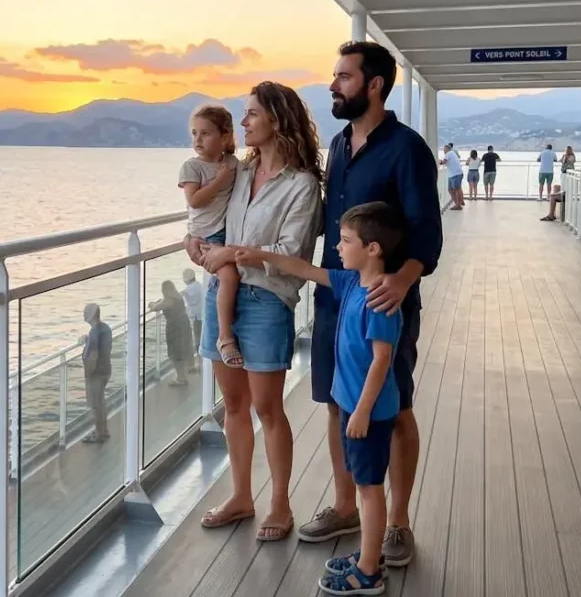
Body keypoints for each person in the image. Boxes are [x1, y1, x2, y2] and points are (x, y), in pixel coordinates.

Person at [301, 40, 442, 569]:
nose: (333, 86)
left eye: (343, 77)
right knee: (338, 401)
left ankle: (398, 521)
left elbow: (427, 231)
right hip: (336, 300)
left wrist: (404, 282)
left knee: (395, 407)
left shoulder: (407, 149)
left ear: (374, 84)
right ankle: (346, 506)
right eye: (335, 77)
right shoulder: (337, 145)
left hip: (385, 301)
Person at [238, 201, 404, 595]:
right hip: (353, 406)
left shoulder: (379, 299)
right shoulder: (351, 283)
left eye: (346, 241)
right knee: (363, 482)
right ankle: (368, 555)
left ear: (373, 249)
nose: (339, 248)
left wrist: (361, 412)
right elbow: (306, 269)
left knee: (368, 488)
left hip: (370, 412)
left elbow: (383, 360)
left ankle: (368, 573)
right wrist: (262, 255)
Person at [186, 81, 323, 542]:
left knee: (268, 408)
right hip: (222, 295)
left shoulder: (302, 186)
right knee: (235, 405)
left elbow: (292, 251)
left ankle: (280, 502)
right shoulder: (238, 173)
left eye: (250, 115)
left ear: (276, 121)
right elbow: (212, 219)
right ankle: (241, 496)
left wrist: (234, 253)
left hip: (267, 300)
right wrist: (197, 242)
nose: (241, 123)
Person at [178, 104, 244, 368]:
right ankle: (225, 337)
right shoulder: (192, 167)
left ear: (224, 136)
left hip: (229, 231)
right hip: (207, 235)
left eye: (205, 134)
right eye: (194, 133)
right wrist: (219, 180)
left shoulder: (233, 163)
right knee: (229, 276)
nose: (197, 140)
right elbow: (194, 200)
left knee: (236, 275)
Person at [148, 280, 194, 386]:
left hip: (175, 328)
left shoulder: (169, 300)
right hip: (184, 324)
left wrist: (152, 304)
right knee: (184, 349)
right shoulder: (178, 297)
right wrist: (159, 301)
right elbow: (163, 302)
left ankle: (181, 378)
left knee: (175, 352)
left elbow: (155, 308)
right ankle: (184, 375)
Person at [80, 303, 113, 443]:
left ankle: (99, 433)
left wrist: (88, 373)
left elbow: (93, 355)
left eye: (85, 311)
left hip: (96, 373)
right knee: (101, 402)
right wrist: (87, 340)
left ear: (92, 314)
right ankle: (103, 430)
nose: (83, 314)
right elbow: (101, 345)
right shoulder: (105, 328)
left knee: (95, 405)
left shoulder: (95, 332)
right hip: (106, 369)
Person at [181, 269, 204, 365]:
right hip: (203, 315)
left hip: (197, 318)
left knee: (198, 339)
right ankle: (202, 361)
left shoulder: (188, 289)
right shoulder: (199, 285)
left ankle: (200, 362)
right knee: (201, 338)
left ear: (185, 280)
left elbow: (178, 296)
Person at [440, 143, 464, 210]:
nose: (444, 151)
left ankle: (458, 205)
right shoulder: (452, 153)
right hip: (453, 174)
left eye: (444, 150)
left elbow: (443, 162)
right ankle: (457, 203)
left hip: (456, 174)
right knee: (450, 189)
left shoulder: (449, 153)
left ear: (447, 149)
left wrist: (438, 161)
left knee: (456, 189)